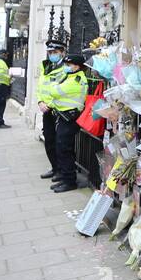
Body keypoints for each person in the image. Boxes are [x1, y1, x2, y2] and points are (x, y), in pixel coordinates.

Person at [47, 53, 89, 193]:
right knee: (63, 149)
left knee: (64, 149)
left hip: (69, 119)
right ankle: (66, 177)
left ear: (76, 66)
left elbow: (54, 91)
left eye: (68, 65)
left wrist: (52, 84)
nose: (66, 67)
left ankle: (69, 181)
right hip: (64, 117)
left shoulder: (76, 80)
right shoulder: (70, 77)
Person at [37, 39, 66, 183]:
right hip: (46, 109)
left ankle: (61, 170)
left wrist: (49, 104)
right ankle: (55, 168)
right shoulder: (46, 66)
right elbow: (41, 87)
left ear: (62, 52)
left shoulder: (66, 68)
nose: (52, 55)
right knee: (48, 140)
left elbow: (65, 91)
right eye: (50, 52)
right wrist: (40, 102)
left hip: (59, 110)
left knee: (59, 143)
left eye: (55, 52)